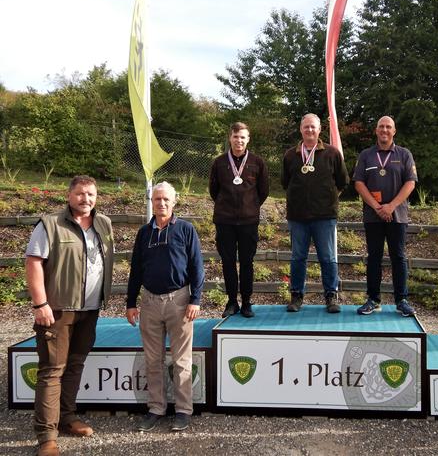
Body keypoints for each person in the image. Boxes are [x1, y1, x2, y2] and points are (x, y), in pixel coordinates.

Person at [25, 175, 114, 456]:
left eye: (91, 194)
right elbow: (34, 263)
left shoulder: (104, 224)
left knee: (75, 365)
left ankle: (67, 418)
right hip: (58, 310)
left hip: (90, 309)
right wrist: (41, 304)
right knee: (52, 370)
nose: (85, 199)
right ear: (69, 195)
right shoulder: (50, 225)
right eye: (80, 194)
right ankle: (47, 436)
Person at [126, 182, 204, 432]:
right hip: (149, 302)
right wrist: (130, 303)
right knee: (153, 360)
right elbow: (135, 270)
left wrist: (195, 299)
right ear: (152, 201)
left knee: (181, 360)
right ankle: (156, 408)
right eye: (157, 199)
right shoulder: (144, 233)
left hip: (179, 301)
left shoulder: (185, 229)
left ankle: (183, 411)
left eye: (166, 199)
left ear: (174, 202)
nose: (161, 203)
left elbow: (197, 267)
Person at [281, 113, 349, 313]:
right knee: (297, 258)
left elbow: (343, 181)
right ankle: (296, 296)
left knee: (327, 258)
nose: (309, 130)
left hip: (325, 217)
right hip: (298, 217)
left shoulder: (332, 153)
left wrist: (328, 198)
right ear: (300, 129)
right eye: (306, 127)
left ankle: (331, 296)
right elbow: (286, 183)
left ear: (320, 130)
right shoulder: (290, 155)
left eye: (313, 127)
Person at [353, 116, 417, 317]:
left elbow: (410, 183)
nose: (384, 130)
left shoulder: (404, 154)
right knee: (374, 258)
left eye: (388, 127)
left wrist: (391, 206)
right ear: (376, 130)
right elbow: (359, 183)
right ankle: (373, 299)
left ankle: (402, 300)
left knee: (398, 257)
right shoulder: (366, 155)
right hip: (373, 216)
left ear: (394, 131)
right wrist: (378, 207)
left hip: (397, 215)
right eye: (381, 126)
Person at [209, 122, 269, 318]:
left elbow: (263, 191)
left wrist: (249, 207)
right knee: (227, 262)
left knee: (247, 262)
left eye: (243, 137)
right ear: (230, 138)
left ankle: (247, 302)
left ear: (248, 139)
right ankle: (232, 302)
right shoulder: (219, 162)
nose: (239, 141)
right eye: (236, 137)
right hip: (225, 221)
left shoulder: (257, 162)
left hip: (248, 221)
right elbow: (213, 190)